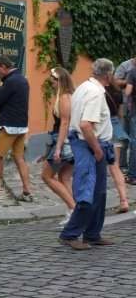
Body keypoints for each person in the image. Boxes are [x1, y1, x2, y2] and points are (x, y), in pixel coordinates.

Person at [59, 59, 116, 250]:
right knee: (87, 191)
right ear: (108, 75)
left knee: (98, 192)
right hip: (90, 145)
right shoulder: (96, 93)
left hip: (87, 143)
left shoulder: (84, 86)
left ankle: (92, 234)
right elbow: (85, 125)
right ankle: (70, 233)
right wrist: (98, 149)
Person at [0, 56, 32, 203]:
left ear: (3, 66)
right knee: (19, 157)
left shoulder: (11, 81)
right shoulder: (21, 79)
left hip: (9, 126)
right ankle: (27, 192)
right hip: (21, 125)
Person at [40, 68, 75, 226]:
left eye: (53, 80)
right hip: (66, 142)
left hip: (65, 142)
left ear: (60, 81)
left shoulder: (64, 98)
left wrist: (58, 148)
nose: (51, 83)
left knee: (47, 176)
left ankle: (73, 209)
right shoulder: (65, 97)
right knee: (64, 177)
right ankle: (74, 211)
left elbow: (65, 124)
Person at [104, 82, 130, 212]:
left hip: (103, 128)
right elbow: (120, 114)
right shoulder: (117, 91)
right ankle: (124, 200)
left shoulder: (98, 91)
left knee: (97, 166)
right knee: (115, 167)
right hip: (116, 126)